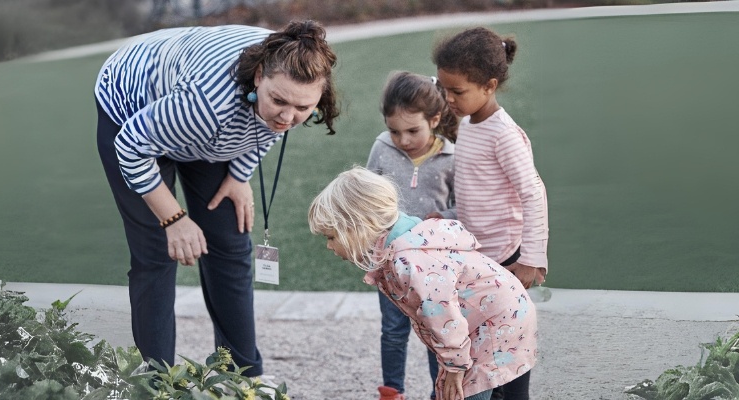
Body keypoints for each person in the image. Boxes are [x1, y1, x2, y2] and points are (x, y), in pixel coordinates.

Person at [94, 20, 339, 378]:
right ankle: (155, 380)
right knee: (157, 253)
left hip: (193, 118)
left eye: (302, 108)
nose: (288, 116)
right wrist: (173, 219)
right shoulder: (207, 106)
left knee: (231, 245)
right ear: (258, 78)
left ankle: (242, 374)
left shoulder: (290, 86)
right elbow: (131, 146)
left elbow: (269, 129)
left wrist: (239, 175)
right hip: (132, 109)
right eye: (279, 101)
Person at [308, 167, 538, 400]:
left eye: (331, 237)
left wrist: (455, 367)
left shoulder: (410, 261)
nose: (329, 246)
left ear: (360, 225)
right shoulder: (406, 237)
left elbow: (443, 315)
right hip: (500, 313)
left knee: (464, 391)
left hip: (494, 324)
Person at [431, 26, 549, 399]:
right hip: (478, 258)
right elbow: (476, 192)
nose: (448, 98)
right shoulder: (468, 124)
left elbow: (533, 192)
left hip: (506, 259)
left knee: (509, 349)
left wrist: (531, 258)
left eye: (458, 91)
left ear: (490, 85)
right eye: (444, 88)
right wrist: (447, 222)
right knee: (484, 346)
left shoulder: (503, 134)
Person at [366, 71, 458, 400]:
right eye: (394, 131)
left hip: (435, 268)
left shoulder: (452, 157)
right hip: (390, 262)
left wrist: (440, 218)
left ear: (434, 119)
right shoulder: (381, 148)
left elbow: (463, 208)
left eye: (412, 130)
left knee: (438, 330)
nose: (403, 140)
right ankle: (392, 392)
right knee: (393, 330)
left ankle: (440, 393)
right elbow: (366, 196)